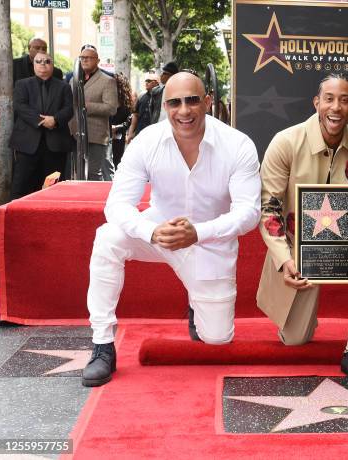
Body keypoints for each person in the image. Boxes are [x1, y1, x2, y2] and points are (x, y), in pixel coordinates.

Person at [81, 72, 261, 387]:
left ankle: (196, 303)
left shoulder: (238, 145)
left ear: (207, 102)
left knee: (217, 340)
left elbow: (249, 213)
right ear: (165, 106)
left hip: (210, 243)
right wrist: (150, 232)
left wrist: (199, 233)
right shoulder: (147, 142)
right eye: (175, 102)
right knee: (107, 237)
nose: (184, 110)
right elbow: (117, 205)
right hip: (158, 231)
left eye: (192, 100)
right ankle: (102, 344)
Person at [257, 74, 348, 387]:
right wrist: (284, 260)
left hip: (346, 242)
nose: (336, 106)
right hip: (297, 248)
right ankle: (304, 313)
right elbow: (270, 211)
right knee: (294, 340)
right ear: (317, 103)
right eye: (329, 98)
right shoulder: (286, 142)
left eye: (344, 99)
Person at [9, 52, 73, 199]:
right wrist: (43, 121)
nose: (43, 64)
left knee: (53, 188)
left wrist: (55, 120)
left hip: (55, 145)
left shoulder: (64, 87)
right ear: (34, 65)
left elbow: (69, 109)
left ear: (52, 65)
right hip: (27, 145)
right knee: (20, 186)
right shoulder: (22, 84)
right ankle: (18, 219)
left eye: (47, 61)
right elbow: (20, 106)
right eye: (39, 61)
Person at [69, 44, 118, 181]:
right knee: (76, 174)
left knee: (93, 174)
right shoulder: (74, 79)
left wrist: (87, 106)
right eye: (82, 57)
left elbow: (111, 108)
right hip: (74, 133)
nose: (84, 60)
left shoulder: (107, 81)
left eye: (88, 58)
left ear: (97, 60)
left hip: (95, 135)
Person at [109, 73, 133, 168]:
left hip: (118, 137)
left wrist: (116, 128)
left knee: (116, 161)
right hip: (105, 135)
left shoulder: (126, 101)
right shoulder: (107, 97)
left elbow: (129, 121)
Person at [126, 73, 159, 143]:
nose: (146, 83)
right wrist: (130, 133)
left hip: (154, 135)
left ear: (156, 83)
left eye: (149, 81)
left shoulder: (161, 97)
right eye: (146, 81)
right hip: (139, 133)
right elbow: (135, 115)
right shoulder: (141, 96)